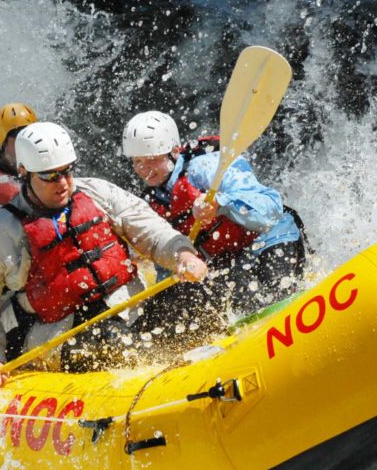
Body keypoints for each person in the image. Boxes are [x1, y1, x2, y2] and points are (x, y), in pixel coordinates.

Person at [0, 121, 208, 389]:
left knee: (193, 297)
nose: (63, 183)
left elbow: (152, 231)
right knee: (110, 341)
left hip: (125, 310)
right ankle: (169, 386)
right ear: (24, 172)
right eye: (49, 176)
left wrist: (183, 255)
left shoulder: (96, 192)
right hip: (61, 335)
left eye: (67, 171)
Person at [120, 110, 306, 319]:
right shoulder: (153, 203)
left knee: (269, 296)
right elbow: (167, 262)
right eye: (137, 162)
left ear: (173, 151)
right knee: (173, 308)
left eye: (151, 159)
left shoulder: (206, 166)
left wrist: (220, 203)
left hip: (271, 239)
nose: (144, 169)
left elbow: (270, 209)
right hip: (231, 258)